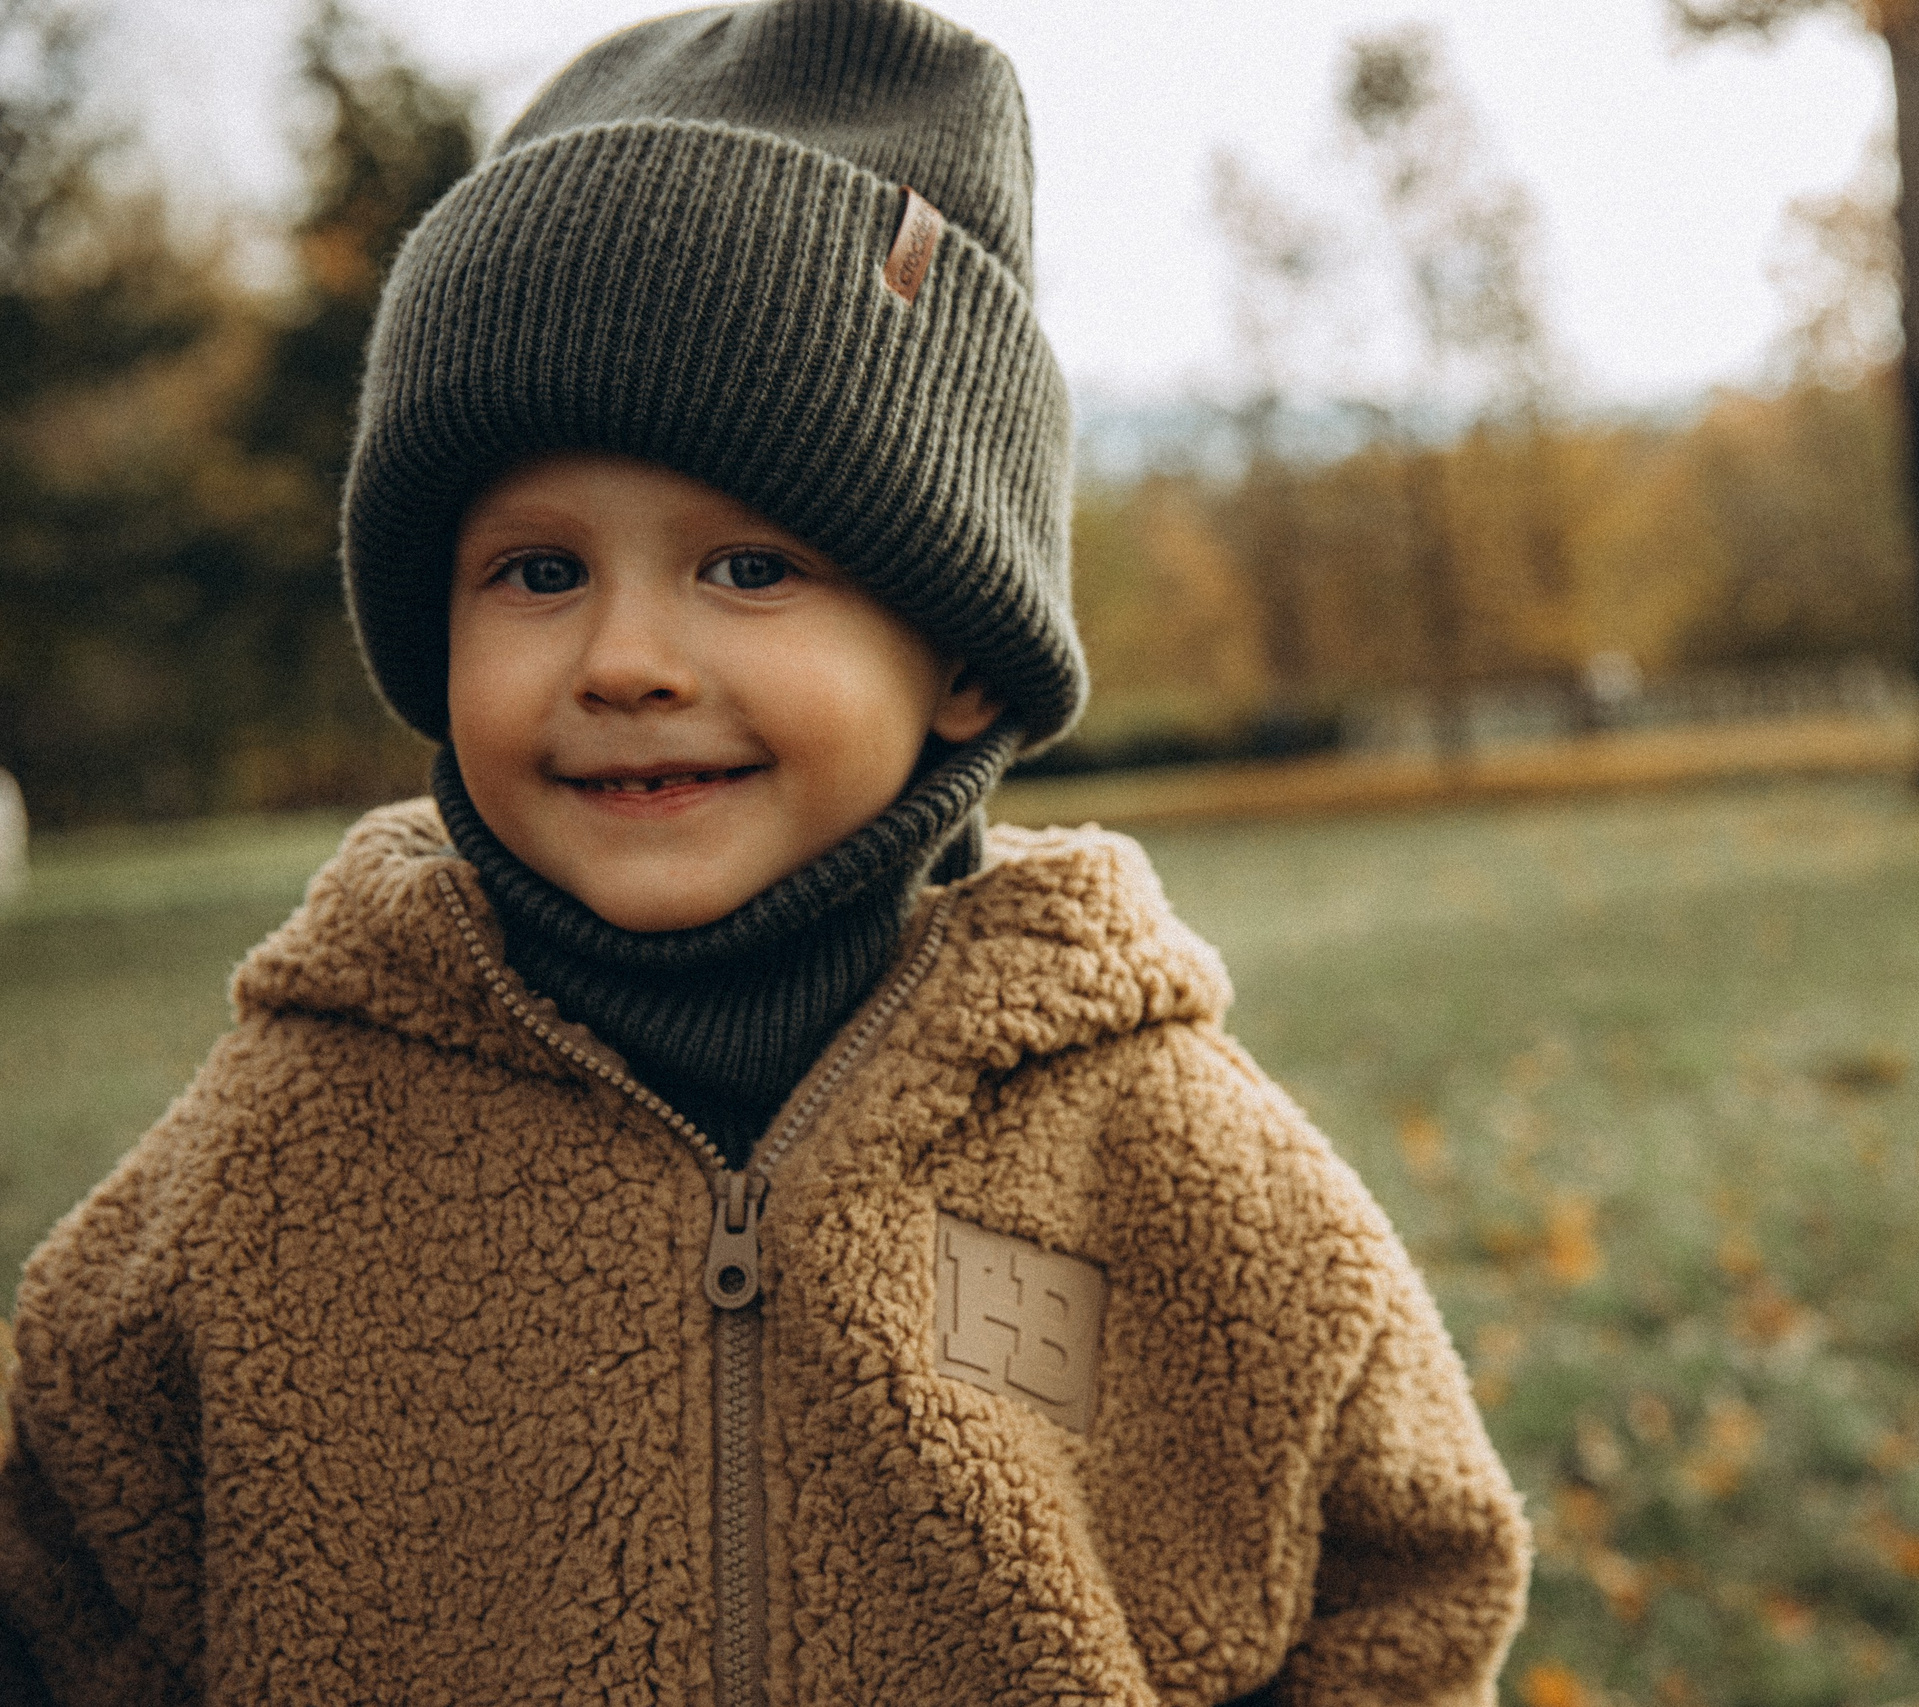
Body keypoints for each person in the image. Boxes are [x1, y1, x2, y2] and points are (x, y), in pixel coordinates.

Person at [0, 3, 1529, 1702]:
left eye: (748, 570)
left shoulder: (1165, 1155)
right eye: (538, 573)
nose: (624, 660)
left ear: (964, 657)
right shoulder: (280, 1159)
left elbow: (1404, 1591)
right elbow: (66, 1583)